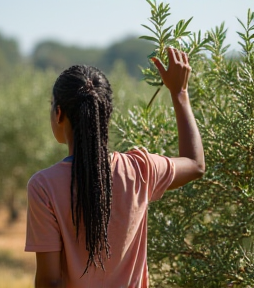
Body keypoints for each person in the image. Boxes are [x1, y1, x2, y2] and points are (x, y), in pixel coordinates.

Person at [25, 47, 205, 288]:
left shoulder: (43, 186)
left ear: (59, 113)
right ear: (106, 115)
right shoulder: (140, 169)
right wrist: (180, 93)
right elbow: (195, 164)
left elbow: (50, 281)